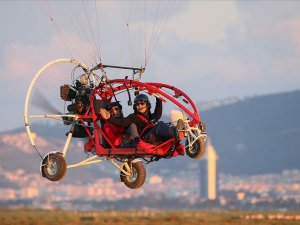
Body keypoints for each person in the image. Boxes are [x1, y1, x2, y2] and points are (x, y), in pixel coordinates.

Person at [99, 93, 185, 147]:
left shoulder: (150, 116)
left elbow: (157, 115)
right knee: (159, 125)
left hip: (156, 138)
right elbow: (121, 123)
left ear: (147, 105)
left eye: (142, 103)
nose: (139, 106)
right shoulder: (133, 116)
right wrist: (109, 118)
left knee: (162, 125)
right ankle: (176, 132)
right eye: (137, 104)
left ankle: (183, 132)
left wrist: (158, 99)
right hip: (146, 137)